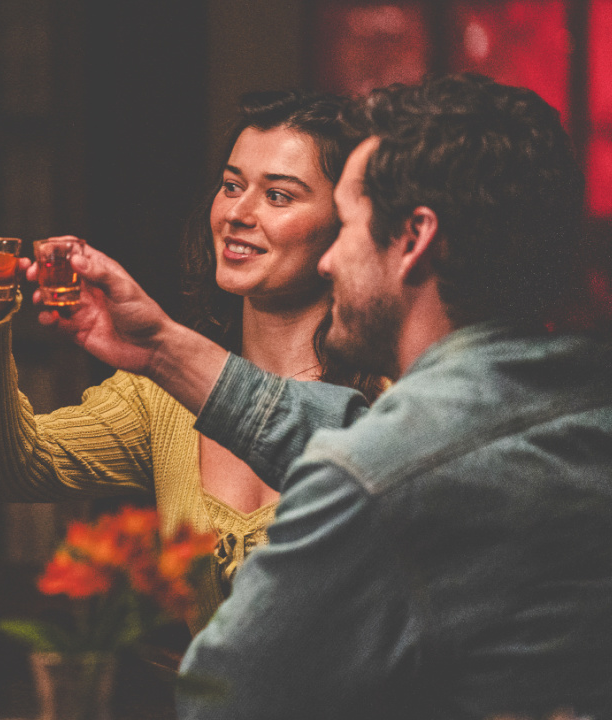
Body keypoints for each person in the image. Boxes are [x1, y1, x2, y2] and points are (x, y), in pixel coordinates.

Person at [34, 74, 612, 718]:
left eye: (350, 226)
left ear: (413, 239)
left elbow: (223, 696)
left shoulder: (376, 481)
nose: (331, 260)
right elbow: (349, 426)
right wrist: (163, 348)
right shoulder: (579, 404)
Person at [0, 91, 384, 629]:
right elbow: (1, 470)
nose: (238, 213)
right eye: (232, 186)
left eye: (278, 197)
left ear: (344, 226)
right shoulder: (162, 395)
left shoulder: (388, 402)